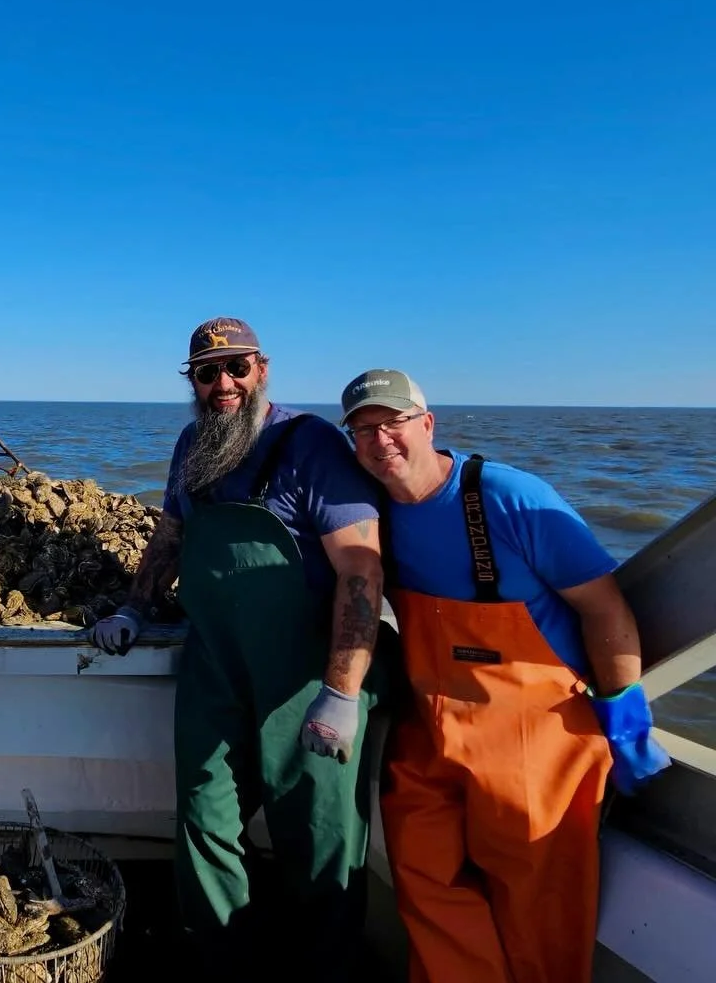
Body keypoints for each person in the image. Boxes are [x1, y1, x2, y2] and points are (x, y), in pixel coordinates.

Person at [339, 368, 671, 983]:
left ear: (428, 424)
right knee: (421, 877)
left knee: (539, 907)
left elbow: (604, 608)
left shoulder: (511, 498)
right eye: (361, 430)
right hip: (430, 732)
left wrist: (624, 715)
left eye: (393, 423)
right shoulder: (369, 512)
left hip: (537, 739)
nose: (379, 441)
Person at [89, 317, 395, 976]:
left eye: (237, 367)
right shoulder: (192, 445)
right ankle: (221, 957)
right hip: (216, 664)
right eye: (207, 372)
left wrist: (341, 692)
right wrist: (135, 609)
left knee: (319, 831)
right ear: (192, 382)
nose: (223, 383)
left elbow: (361, 571)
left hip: (307, 673)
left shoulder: (307, 443)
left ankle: (324, 967)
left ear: (262, 370)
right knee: (204, 813)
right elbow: (171, 537)